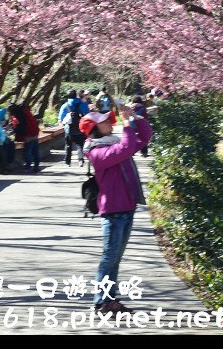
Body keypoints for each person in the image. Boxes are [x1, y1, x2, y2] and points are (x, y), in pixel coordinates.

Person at [81, 106, 152, 316]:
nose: (109, 123)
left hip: (127, 208)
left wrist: (135, 117)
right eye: (103, 122)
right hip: (113, 212)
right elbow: (126, 147)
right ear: (94, 128)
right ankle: (100, 302)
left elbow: (144, 137)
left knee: (115, 259)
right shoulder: (96, 152)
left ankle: (110, 299)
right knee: (109, 259)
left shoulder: (112, 143)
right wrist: (126, 123)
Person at [59, 90, 90, 167]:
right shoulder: (82, 104)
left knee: (68, 145)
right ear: (76, 96)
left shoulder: (65, 105)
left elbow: (61, 118)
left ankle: (67, 162)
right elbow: (88, 115)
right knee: (79, 145)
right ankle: (80, 160)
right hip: (80, 128)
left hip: (68, 129)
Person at [10, 103, 41, 173]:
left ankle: (28, 167)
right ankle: (36, 166)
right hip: (35, 133)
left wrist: (14, 131)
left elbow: (20, 127)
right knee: (35, 151)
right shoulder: (26, 111)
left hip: (28, 135)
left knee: (28, 152)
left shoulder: (18, 115)